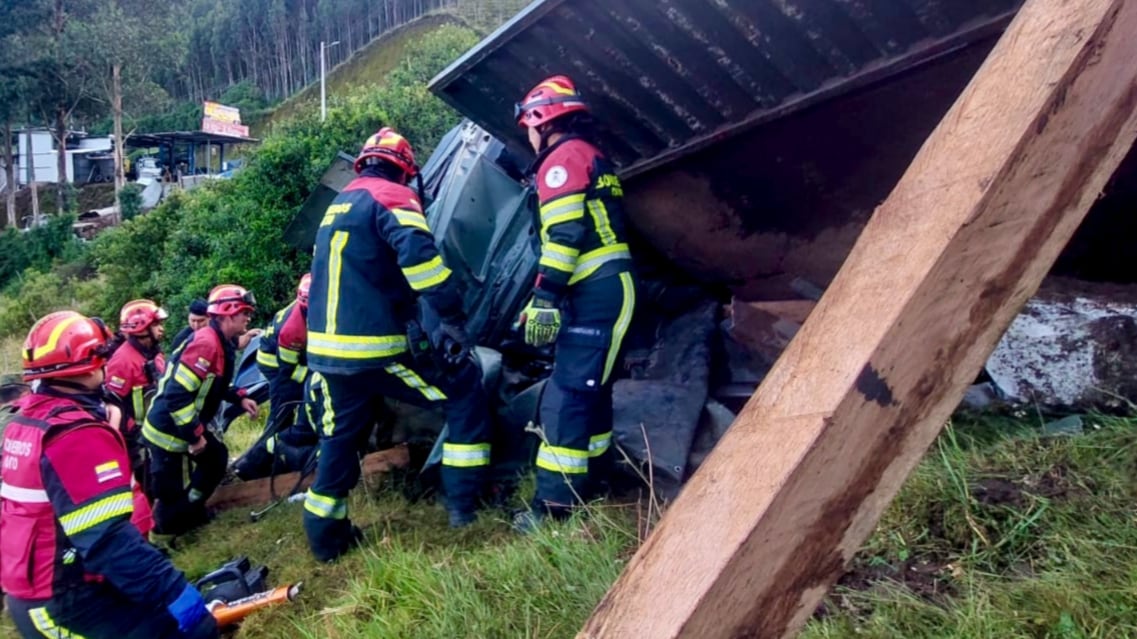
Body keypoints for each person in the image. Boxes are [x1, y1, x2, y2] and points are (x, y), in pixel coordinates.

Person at [304, 127, 493, 561]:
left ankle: (326, 540)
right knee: (463, 389)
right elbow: (421, 265)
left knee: (340, 437)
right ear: (404, 168)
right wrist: (452, 317)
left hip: (327, 355)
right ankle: (463, 505)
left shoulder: (340, 202)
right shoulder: (393, 196)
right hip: (371, 350)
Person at [1, 311, 218, 638]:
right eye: (102, 354)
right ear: (88, 362)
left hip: (46, 589)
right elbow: (107, 539)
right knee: (187, 628)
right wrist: (173, 589)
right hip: (65, 599)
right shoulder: (74, 434)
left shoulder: (27, 423)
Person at [512, 75, 638, 531]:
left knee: (567, 397)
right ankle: (594, 482)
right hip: (603, 289)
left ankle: (552, 509)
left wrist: (544, 298)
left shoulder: (562, 160)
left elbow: (564, 238)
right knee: (591, 393)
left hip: (597, 290)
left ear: (540, 120)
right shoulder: (590, 155)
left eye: (528, 125)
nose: (528, 136)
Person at [142, 284, 259, 543]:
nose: (248, 319)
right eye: (245, 313)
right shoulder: (207, 343)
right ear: (228, 314)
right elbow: (177, 395)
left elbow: (213, 383)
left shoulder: (220, 341)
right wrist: (195, 437)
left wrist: (240, 397)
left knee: (216, 459)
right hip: (168, 429)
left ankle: (190, 512)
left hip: (184, 423)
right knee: (169, 492)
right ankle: (163, 540)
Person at [233, 274, 317, 480]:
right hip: (279, 369)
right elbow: (289, 370)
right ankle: (250, 468)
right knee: (280, 420)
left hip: (288, 362)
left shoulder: (306, 304)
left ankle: (280, 460)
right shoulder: (293, 330)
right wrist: (316, 377)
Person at [104, 299, 169, 537]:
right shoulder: (122, 361)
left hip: (155, 430)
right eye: (156, 324)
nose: (161, 329)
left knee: (159, 479)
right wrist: (132, 433)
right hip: (135, 437)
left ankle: (163, 524)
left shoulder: (152, 352)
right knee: (144, 483)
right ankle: (150, 533)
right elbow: (112, 403)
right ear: (141, 328)